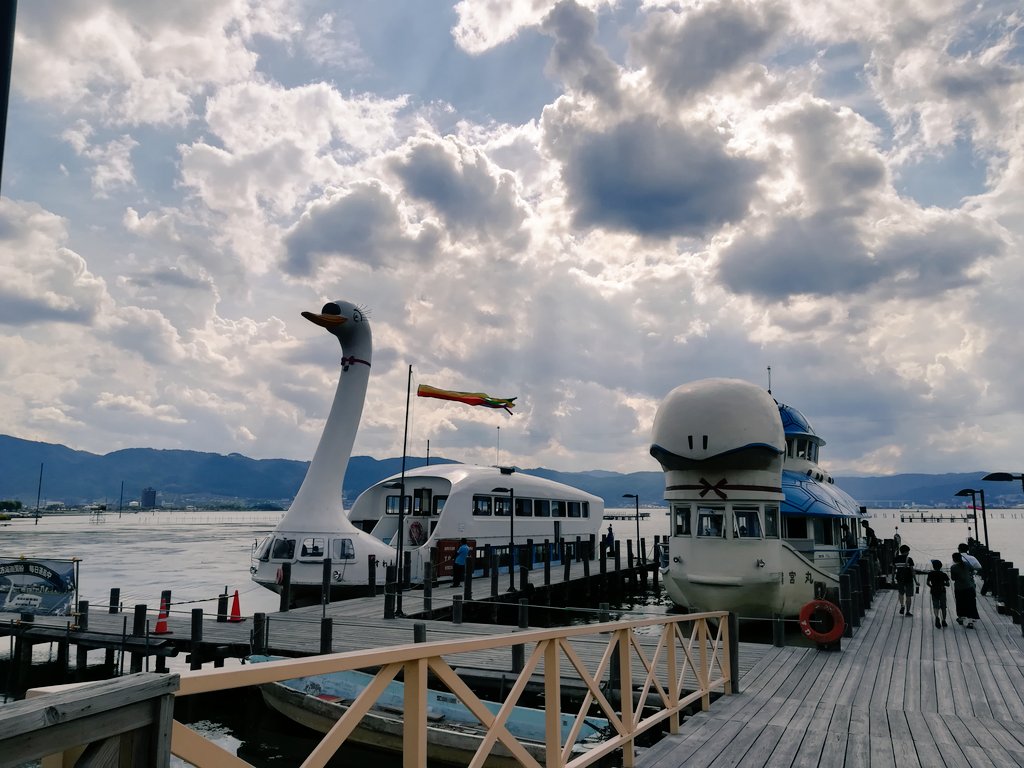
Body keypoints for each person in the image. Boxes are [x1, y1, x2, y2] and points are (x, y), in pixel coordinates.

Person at [950, 552, 980, 628]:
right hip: (969, 587)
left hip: (959, 588)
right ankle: (970, 622)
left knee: (960, 603)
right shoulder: (966, 564)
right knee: (970, 604)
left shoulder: (953, 567)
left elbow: (953, 578)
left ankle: (961, 618)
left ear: (954, 559)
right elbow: (973, 570)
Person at [925, 559, 950, 629]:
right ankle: (944, 620)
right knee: (943, 607)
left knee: (935, 605)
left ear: (933, 566)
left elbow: (927, 583)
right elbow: (948, 584)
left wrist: (932, 587)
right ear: (940, 566)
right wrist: (943, 584)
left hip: (934, 591)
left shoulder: (930, 574)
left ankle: (936, 617)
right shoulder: (944, 574)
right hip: (942, 591)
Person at [893, 544, 917, 616]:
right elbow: (912, 571)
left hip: (899, 578)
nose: (908, 553)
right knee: (908, 595)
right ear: (906, 552)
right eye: (908, 552)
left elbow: (893, 570)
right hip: (908, 579)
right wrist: (916, 581)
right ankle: (908, 612)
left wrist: (892, 579)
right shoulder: (909, 559)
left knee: (901, 593)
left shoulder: (896, 559)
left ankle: (902, 605)